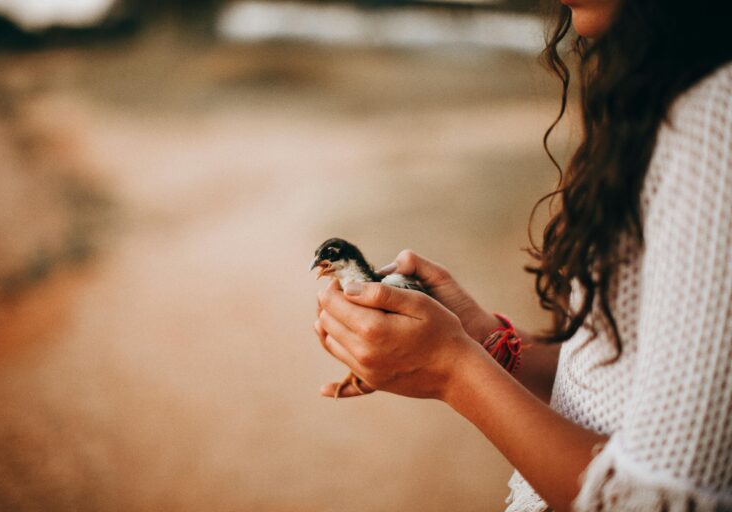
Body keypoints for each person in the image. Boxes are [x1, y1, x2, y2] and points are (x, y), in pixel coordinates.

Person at [314, 0, 732, 510]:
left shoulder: (716, 122)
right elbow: (620, 388)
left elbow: (656, 499)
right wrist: (485, 339)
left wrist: (452, 367)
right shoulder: (667, 102)